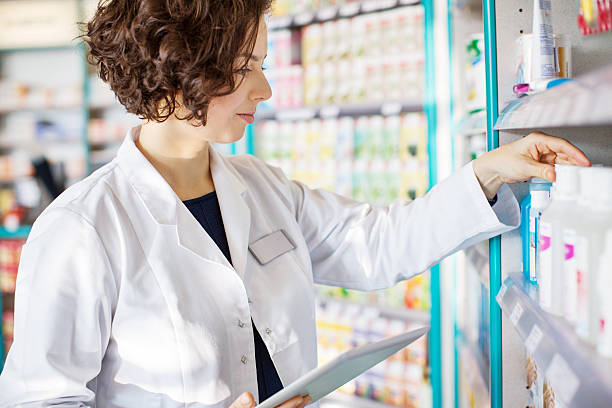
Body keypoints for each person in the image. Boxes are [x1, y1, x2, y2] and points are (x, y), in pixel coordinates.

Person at [0, 1, 590, 407]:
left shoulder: (261, 186)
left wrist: (488, 171)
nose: (266, 89)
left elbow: (378, 244)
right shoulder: (82, 230)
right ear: (179, 74)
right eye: (244, 68)